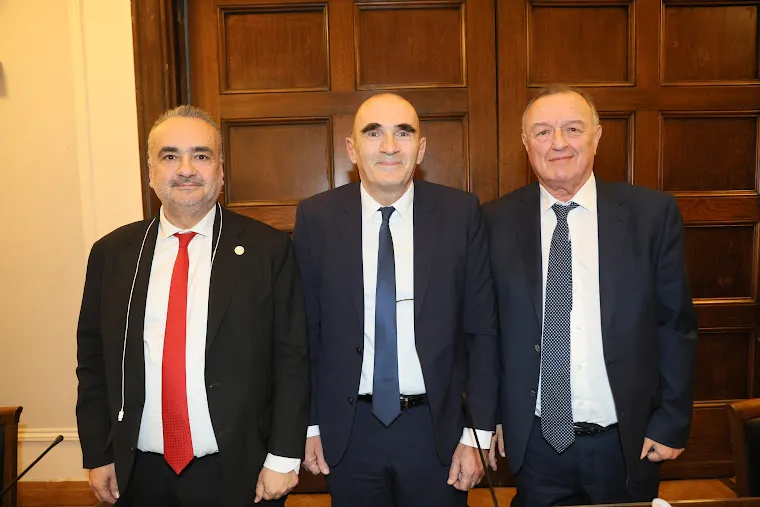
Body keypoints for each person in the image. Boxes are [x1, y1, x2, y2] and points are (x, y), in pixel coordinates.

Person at [76, 105, 310, 507]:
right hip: (138, 472)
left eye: (201, 155)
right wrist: (97, 452)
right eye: (170, 156)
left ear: (221, 170)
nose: (186, 169)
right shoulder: (112, 254)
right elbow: (93, 361)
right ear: (150, 172)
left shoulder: (268, 250)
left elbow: (293, 358)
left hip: (241, 471)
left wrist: (284, 456)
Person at [484, 85, 698, 506]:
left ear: (597, 137)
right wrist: (490, 417)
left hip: (627, 441)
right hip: (535, 443)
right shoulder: (494, 221)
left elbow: (675, 326)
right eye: (543, 132)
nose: (558, 143)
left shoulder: (651, 216)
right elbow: (485, 331)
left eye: (573, 129)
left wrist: (671, 421)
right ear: (526, 143)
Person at [292, 93, 499, 507]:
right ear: (352, 149)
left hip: (437, 431)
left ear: (420, 149)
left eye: (403, 133)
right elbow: (304, 332)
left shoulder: (460, 214)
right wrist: (309, 425)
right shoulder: (317, 218)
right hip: (348, 432)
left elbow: (481, 332)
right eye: (374, 133)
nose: (389, 146)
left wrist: (476, 435)